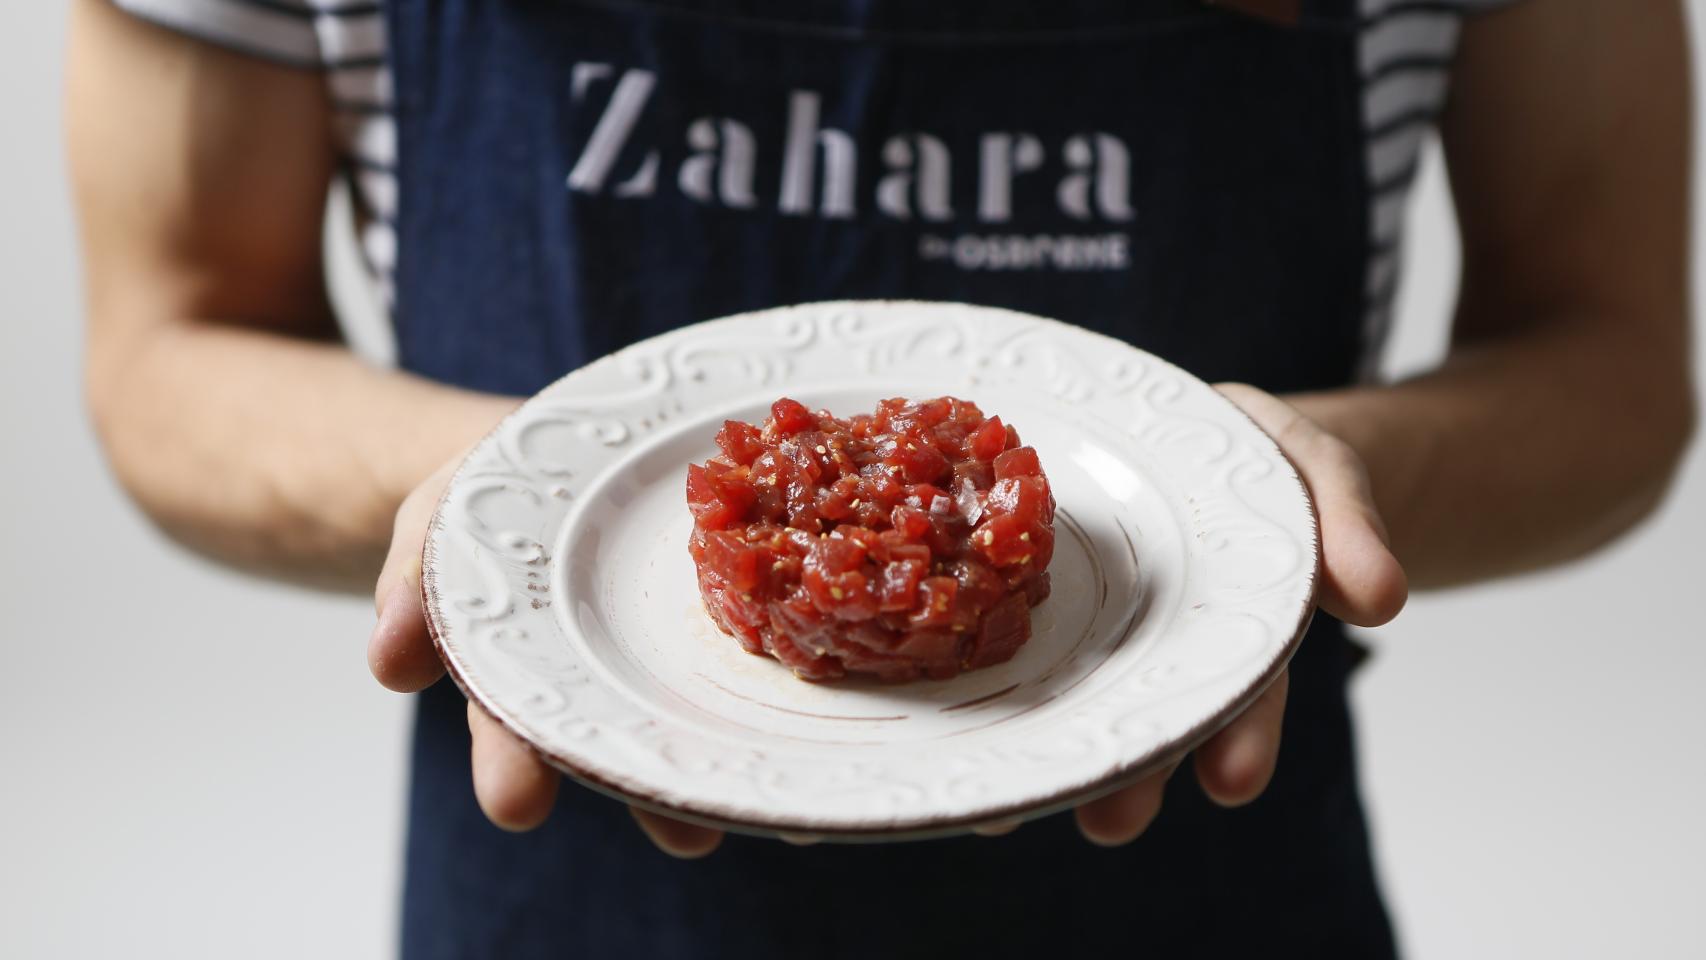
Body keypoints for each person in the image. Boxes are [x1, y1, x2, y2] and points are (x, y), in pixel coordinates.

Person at [68, 0, 1694, 956]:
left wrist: (1278, 499)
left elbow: (1614, 361)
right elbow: (170, 345)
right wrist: (514, 497)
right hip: (564, 888)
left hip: (1210, 872)